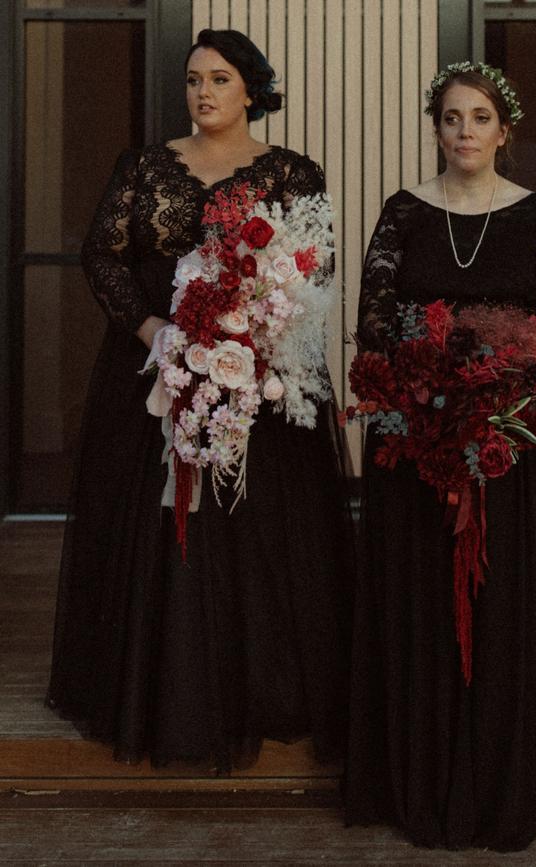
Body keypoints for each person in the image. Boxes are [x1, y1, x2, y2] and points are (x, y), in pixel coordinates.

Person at [47, 29, 352, 772]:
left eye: (219, 78)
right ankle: (157, 692)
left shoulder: (291, 172)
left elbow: (316, 263)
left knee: (261, 528)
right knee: (156, 524)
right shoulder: (148, 166)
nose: (203, 92)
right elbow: (101, 253)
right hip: (157, 373)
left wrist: (263, 328)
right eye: (192, 80)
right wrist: (156, 329)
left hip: (264, 379)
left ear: (252, 89)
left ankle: (263, 687)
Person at [344, 63, 536, 851]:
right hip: (417, 442)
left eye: (480, 118)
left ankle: (506, 778)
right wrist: (435, 386)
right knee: (422, 609)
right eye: (451, 118)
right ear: (436, 126)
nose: (465, 132)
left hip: (514, 442)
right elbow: (375, 320)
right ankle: (418, 777)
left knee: (506, 604)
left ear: (503, 129)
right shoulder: (405, 213)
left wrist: (496, 400)